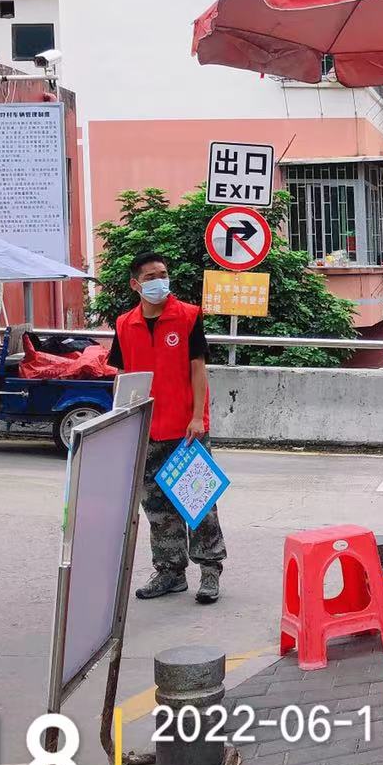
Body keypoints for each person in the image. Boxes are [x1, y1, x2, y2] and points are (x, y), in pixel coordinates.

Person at [106, 253, 227, 604]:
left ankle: (209, 569)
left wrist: (197, 417)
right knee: (157, 507)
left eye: (163, 273)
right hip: (146, 428)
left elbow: (198, 369)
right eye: (150, 276)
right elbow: (122, 374)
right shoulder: (124, 324)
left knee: (198, 502)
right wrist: (123, 418)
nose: (159, 280)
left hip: (185, 427)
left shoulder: (187, 316)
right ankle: (170, 571)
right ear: (135, 284)